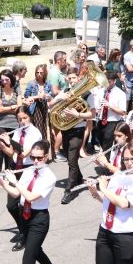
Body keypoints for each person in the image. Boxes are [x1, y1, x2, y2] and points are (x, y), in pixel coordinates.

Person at [0, 141, 61, 264]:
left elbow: (31, 197)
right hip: (25, 216)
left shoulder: (50, 177)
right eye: (32, 157)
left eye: (39, 158)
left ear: (46, 156)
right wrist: (4, 183)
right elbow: (17, 193)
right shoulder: (29, 170)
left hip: (39, 219)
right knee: (35, 249)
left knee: (28, 256)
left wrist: (15, 182)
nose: (35, 161)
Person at [0, 107, 43, 243]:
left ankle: (25, 234)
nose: (22, 122)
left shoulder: (35, 133)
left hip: (28, 169)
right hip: (15, 168)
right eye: (19, 119)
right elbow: (11, 153)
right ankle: (22, 229)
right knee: (11, 205)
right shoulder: (19, 132)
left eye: (24, 118)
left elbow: (24, 153)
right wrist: (1, 143)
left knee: (23, 204)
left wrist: (10, 141)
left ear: (30, 117)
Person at [49, 72, 93, 206]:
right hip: (66, 129)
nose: (72, 80)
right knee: (70, 158)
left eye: (74, 78)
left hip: (78, 131)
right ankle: (79, 179)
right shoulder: (65, 91)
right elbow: (52, 106)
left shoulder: (87, 94)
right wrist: (59, 98)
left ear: (79, 79)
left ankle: (69, 190)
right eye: (70, 78)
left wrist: (77, 114)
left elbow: (92, 114)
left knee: (72, 161)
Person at [0, 68, 21, 172]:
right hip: (1, 123)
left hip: (14, 123)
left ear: (11, 79)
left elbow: (19, 106)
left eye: (6, 80)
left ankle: (8, 170)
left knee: (10, 147)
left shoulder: (17, 89)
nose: (4, 82)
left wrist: (7, 108)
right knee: (1, 147)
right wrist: (12, 107)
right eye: (2, 80)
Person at [24, 64, 52, 150]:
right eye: (37, 72)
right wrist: (38, 96)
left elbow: (50, 96)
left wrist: (48, 96)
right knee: (37, 130)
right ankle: (36, 150)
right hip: (35, 109)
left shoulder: (47, 84)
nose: (39, 74)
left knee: (45, 130)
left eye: (41, 73)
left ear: (45, 73)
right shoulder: (31, 83)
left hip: (44, 108)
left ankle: (44, 151)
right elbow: (26, 97)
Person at [98, 70, 127, 151]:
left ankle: (107, 160)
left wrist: (110, 105)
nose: (106, 84)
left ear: (114, 81)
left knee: (107, 141)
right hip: (101, 120)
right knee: (101, 140)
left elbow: (123, 112)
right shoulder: (101, 91)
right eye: (105, 82)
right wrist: (98, 109)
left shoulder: (120, 93)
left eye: (109, 82)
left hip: (113, 122)